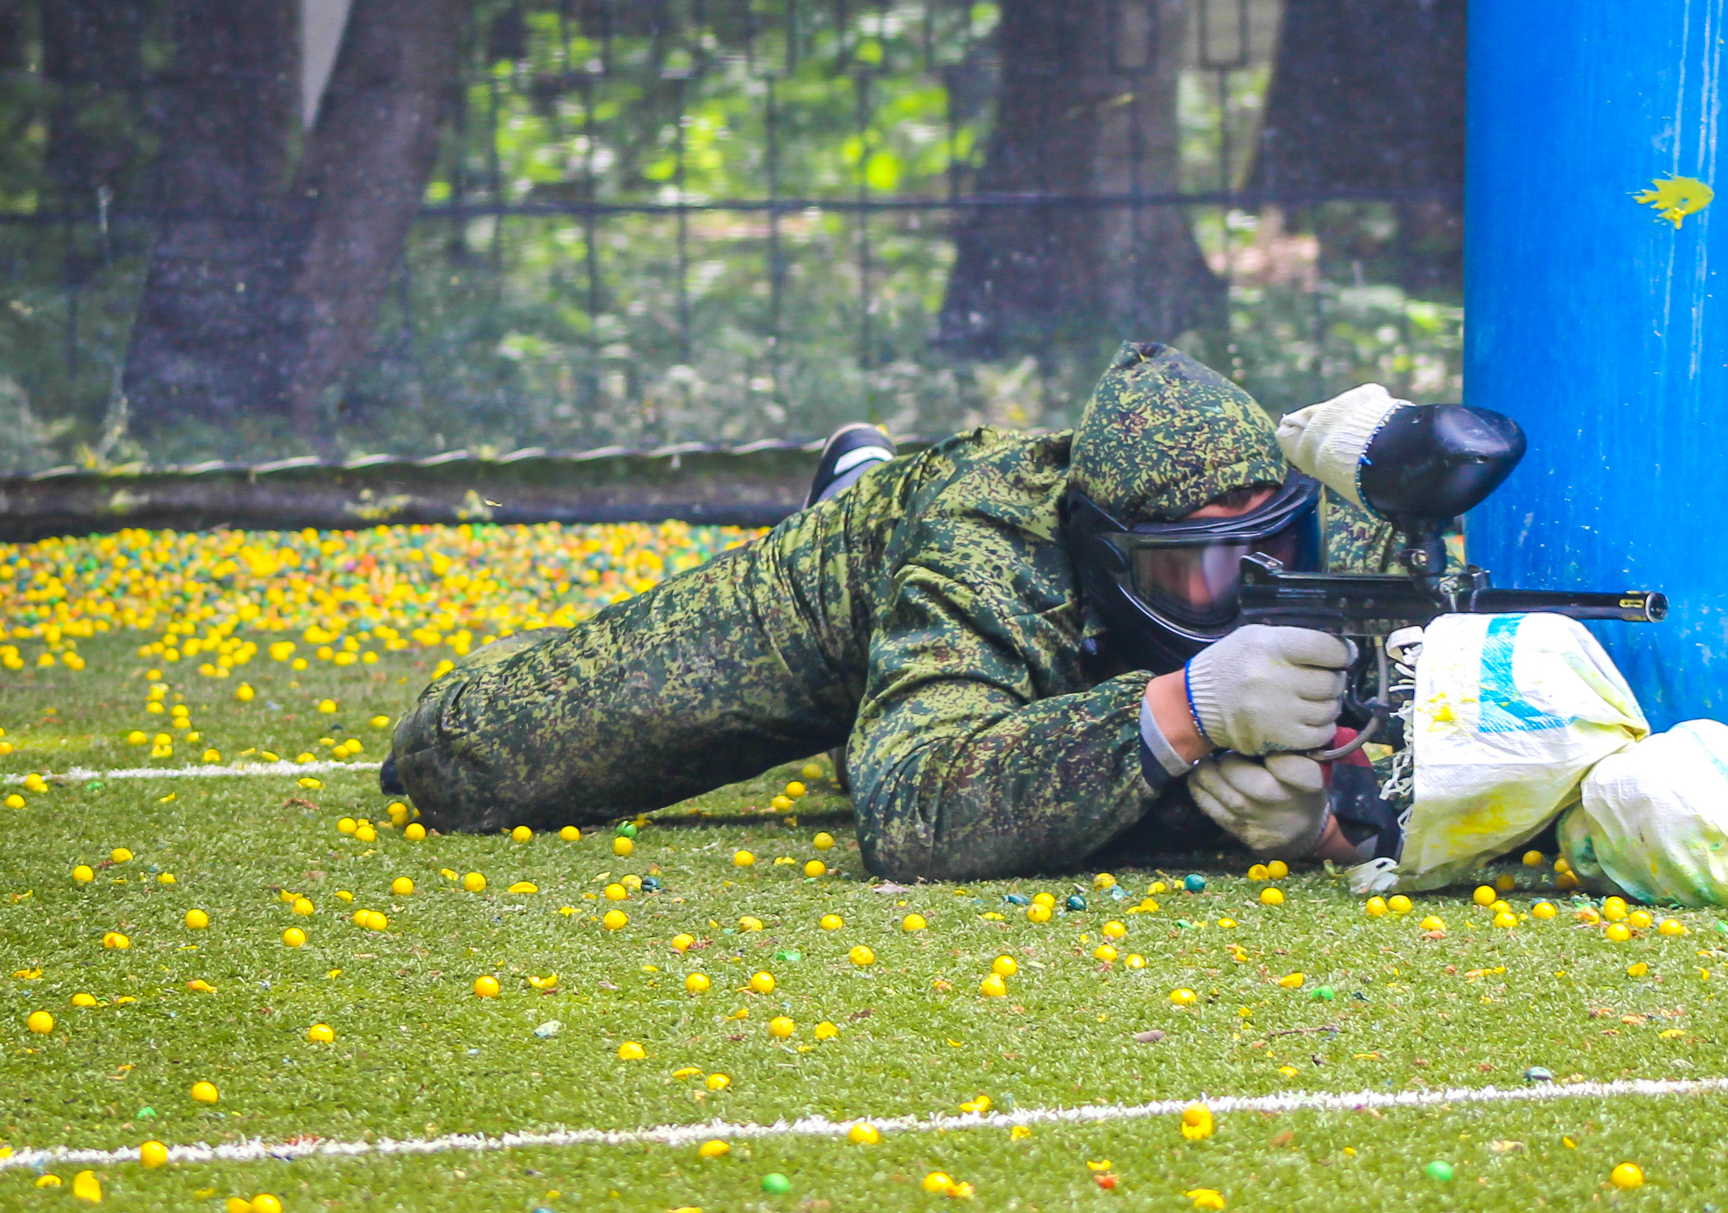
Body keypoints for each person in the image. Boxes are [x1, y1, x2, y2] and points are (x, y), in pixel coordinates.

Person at [382, 343, 1398, 879]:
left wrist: (1337, 823)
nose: (1252, 586)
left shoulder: (1331, 543)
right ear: (1109, 552)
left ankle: (901, 688)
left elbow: (1495, 744)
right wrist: (1189, 711)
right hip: (866, 576)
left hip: (999, 676)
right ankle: (856, 487)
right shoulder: (987, 546)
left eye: (1273, 543)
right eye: (1201, 567)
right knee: (472, 760)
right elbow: (912, 808)